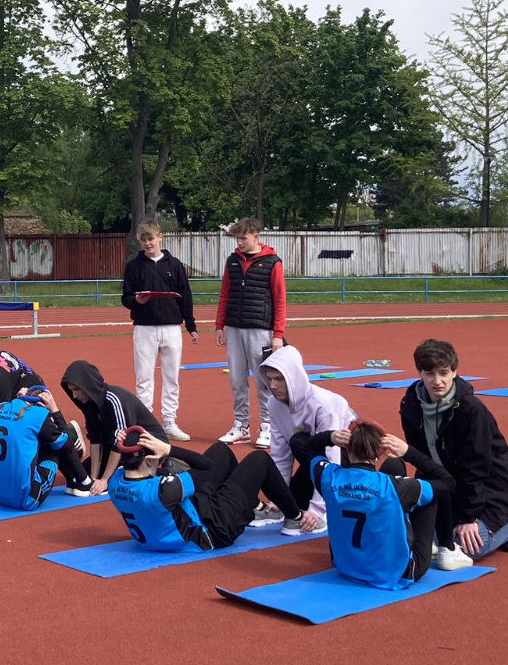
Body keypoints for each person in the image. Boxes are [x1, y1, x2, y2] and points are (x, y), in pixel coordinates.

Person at [398, 338, 508, 558]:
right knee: (420, 541)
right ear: (420, 373)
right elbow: (423, 461)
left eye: (444, 373)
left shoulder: (471, 410)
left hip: (493, 489)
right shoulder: (410, 405)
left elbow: (475, 467)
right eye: (430, 374)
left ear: (454, 372)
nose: (437, 381)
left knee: (466, 549)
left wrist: (468, 518)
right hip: (452, 488)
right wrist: (424, 500)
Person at [301, 422, 464, 586]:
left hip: (346, 568)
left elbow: (310, 446)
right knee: (431, 488)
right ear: (379, 452)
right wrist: (408, 452)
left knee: (394, 465)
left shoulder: (329, 477)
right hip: (397, 573)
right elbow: (447, 482)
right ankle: (447, 549)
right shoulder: (394, 486)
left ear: (346, 448)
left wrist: (330, 437)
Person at [106, 430, 305, 551]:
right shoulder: (163, 490)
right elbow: (207, 467)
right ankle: (296, 517)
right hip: (211, 532)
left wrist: (127, 441)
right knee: (259, 459)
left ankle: (253, 506)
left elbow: (132, 462)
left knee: (220, 451)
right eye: (158, 459)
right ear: (149, 461)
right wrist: (170, 449)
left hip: (186, 517)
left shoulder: (115, 482)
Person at [259, 345, 356, 534]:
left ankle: (332, 503)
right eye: (269, 379)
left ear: (293, 377)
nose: (273, 386)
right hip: (314, 461)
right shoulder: (274, 404)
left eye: (279, 379)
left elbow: (332, 458)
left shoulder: (323, 405)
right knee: (292, 503)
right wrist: (278, 500)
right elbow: (280, 456)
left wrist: (318, 510)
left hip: (347, 458)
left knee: (299, 441)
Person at [214, 218, 287, 447]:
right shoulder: (232, 261)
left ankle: (268, 426)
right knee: (237, 380)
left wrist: (278, 334)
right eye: (237, 238)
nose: (239, 242)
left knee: (264, 381)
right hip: (234, 328)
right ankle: (241, 426)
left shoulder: (273, 262)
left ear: (256, 236)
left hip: (260, 329)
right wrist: (219, 325)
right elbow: (225, 294)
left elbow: (280, 299)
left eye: (243, 238)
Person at [122, 221, 198, 441]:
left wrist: (191, 326)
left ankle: (169, 422)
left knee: (171, 377)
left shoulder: (174, 264)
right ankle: (145, 423)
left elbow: (186, 296)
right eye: (144, 240)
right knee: (144, 377)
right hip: (144, 328)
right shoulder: (134, 266)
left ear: (160, 237)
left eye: (151, 238)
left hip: (172, 327)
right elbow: (126, 298)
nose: (148, 243)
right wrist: (136, 300)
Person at [58, 360, 163, 497]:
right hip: (121, 447)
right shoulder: (89, 404)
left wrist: (105, 480)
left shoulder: (114, 400)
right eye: (71, 391)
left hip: (147, 447)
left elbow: (119, 442)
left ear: (88, 385)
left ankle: (164, 467)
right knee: (82, 474)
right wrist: (93, 478)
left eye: (77, 389)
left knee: (122, 479)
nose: (74, 396)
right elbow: (95, 439)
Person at [0, 388, 87, 510]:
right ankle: (83, 482)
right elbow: (65, 444)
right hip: (25, 499)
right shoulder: (38, 414)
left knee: (27, 440)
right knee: (56, 442)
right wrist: (55, 411)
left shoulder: (0, 408)